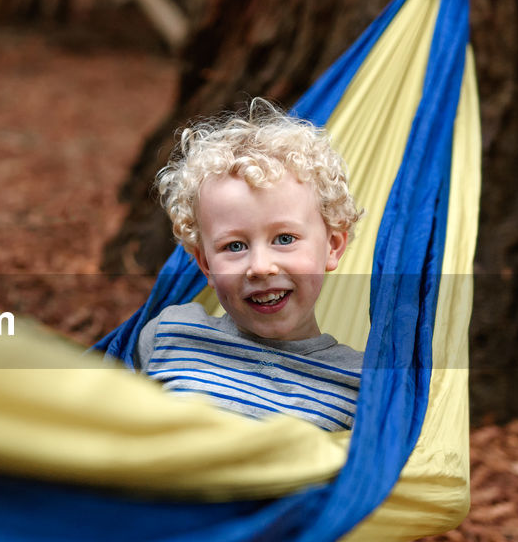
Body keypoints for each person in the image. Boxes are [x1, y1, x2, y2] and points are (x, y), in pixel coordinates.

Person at [135, 98, 364, 431]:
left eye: (284, 239)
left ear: (332, 246)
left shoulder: (358, 384)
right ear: (206, 265)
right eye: (235, 246)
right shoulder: (171, 334)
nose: (260, 267)